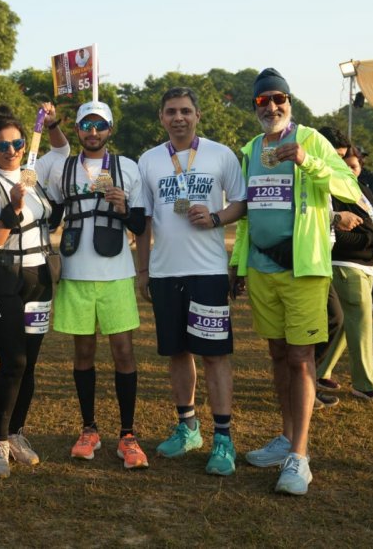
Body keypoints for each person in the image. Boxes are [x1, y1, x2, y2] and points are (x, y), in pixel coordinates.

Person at [230, 68, 362, 496]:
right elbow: (248, 211)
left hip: (303, 268)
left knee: (302, 357)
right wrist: (239, 264)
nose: (272, 106)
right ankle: (286, 437)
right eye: (262, 100)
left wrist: (307, 161)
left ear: (290, 101)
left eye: (278, 98)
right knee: (277, 354)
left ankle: (299, 457)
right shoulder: (250, 149)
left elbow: (349, 186)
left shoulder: (311, 140)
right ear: (255, 106)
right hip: (262, 267)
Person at [136, 86, 246, 477]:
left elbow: (242, 202)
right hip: (165, 272)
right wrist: (143, 271)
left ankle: (223, 439)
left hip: (208, 271)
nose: (178, 117)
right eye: (171, 111)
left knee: (214, 355)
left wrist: (216, 218)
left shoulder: (220, 154)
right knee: (177, 352)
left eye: (185, 110)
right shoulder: (149, 160)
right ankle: (188, 428)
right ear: (161, 118)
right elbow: (144, 220)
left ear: (198, 115)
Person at [46, 101, 149, 469]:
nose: (93, 132)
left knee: (123, 353)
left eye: (100, 125)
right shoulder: (63, 168)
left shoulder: (128, 168)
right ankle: (88, 429)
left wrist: (123, 209)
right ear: (77, 129)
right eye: (86, 125)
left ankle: (128, 434)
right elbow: (51, 216)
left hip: (116, 274)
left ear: (110, 129)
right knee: (84, 354)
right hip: (75, 274)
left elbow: (140, 225)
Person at [0, 104, 67, 477]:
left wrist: (52, 122)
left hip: (38, 276)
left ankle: (16, 434)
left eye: (16, 144)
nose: (11, 151)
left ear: (25, 145)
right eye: (2, 145)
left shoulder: (34, 176)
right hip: (1, 277)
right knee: (13, 361)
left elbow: (62, 151)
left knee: (30, 362)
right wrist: (12, 209)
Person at [316, 150, 373, 402]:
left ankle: (320, 371)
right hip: (345, 263)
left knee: (348, 323)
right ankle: (365, 383)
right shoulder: (332, 190)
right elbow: (336, 235)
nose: (351, 170)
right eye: (346, 165)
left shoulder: (362, 190)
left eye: (355, 166)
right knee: (360, 321)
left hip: (367, 264)